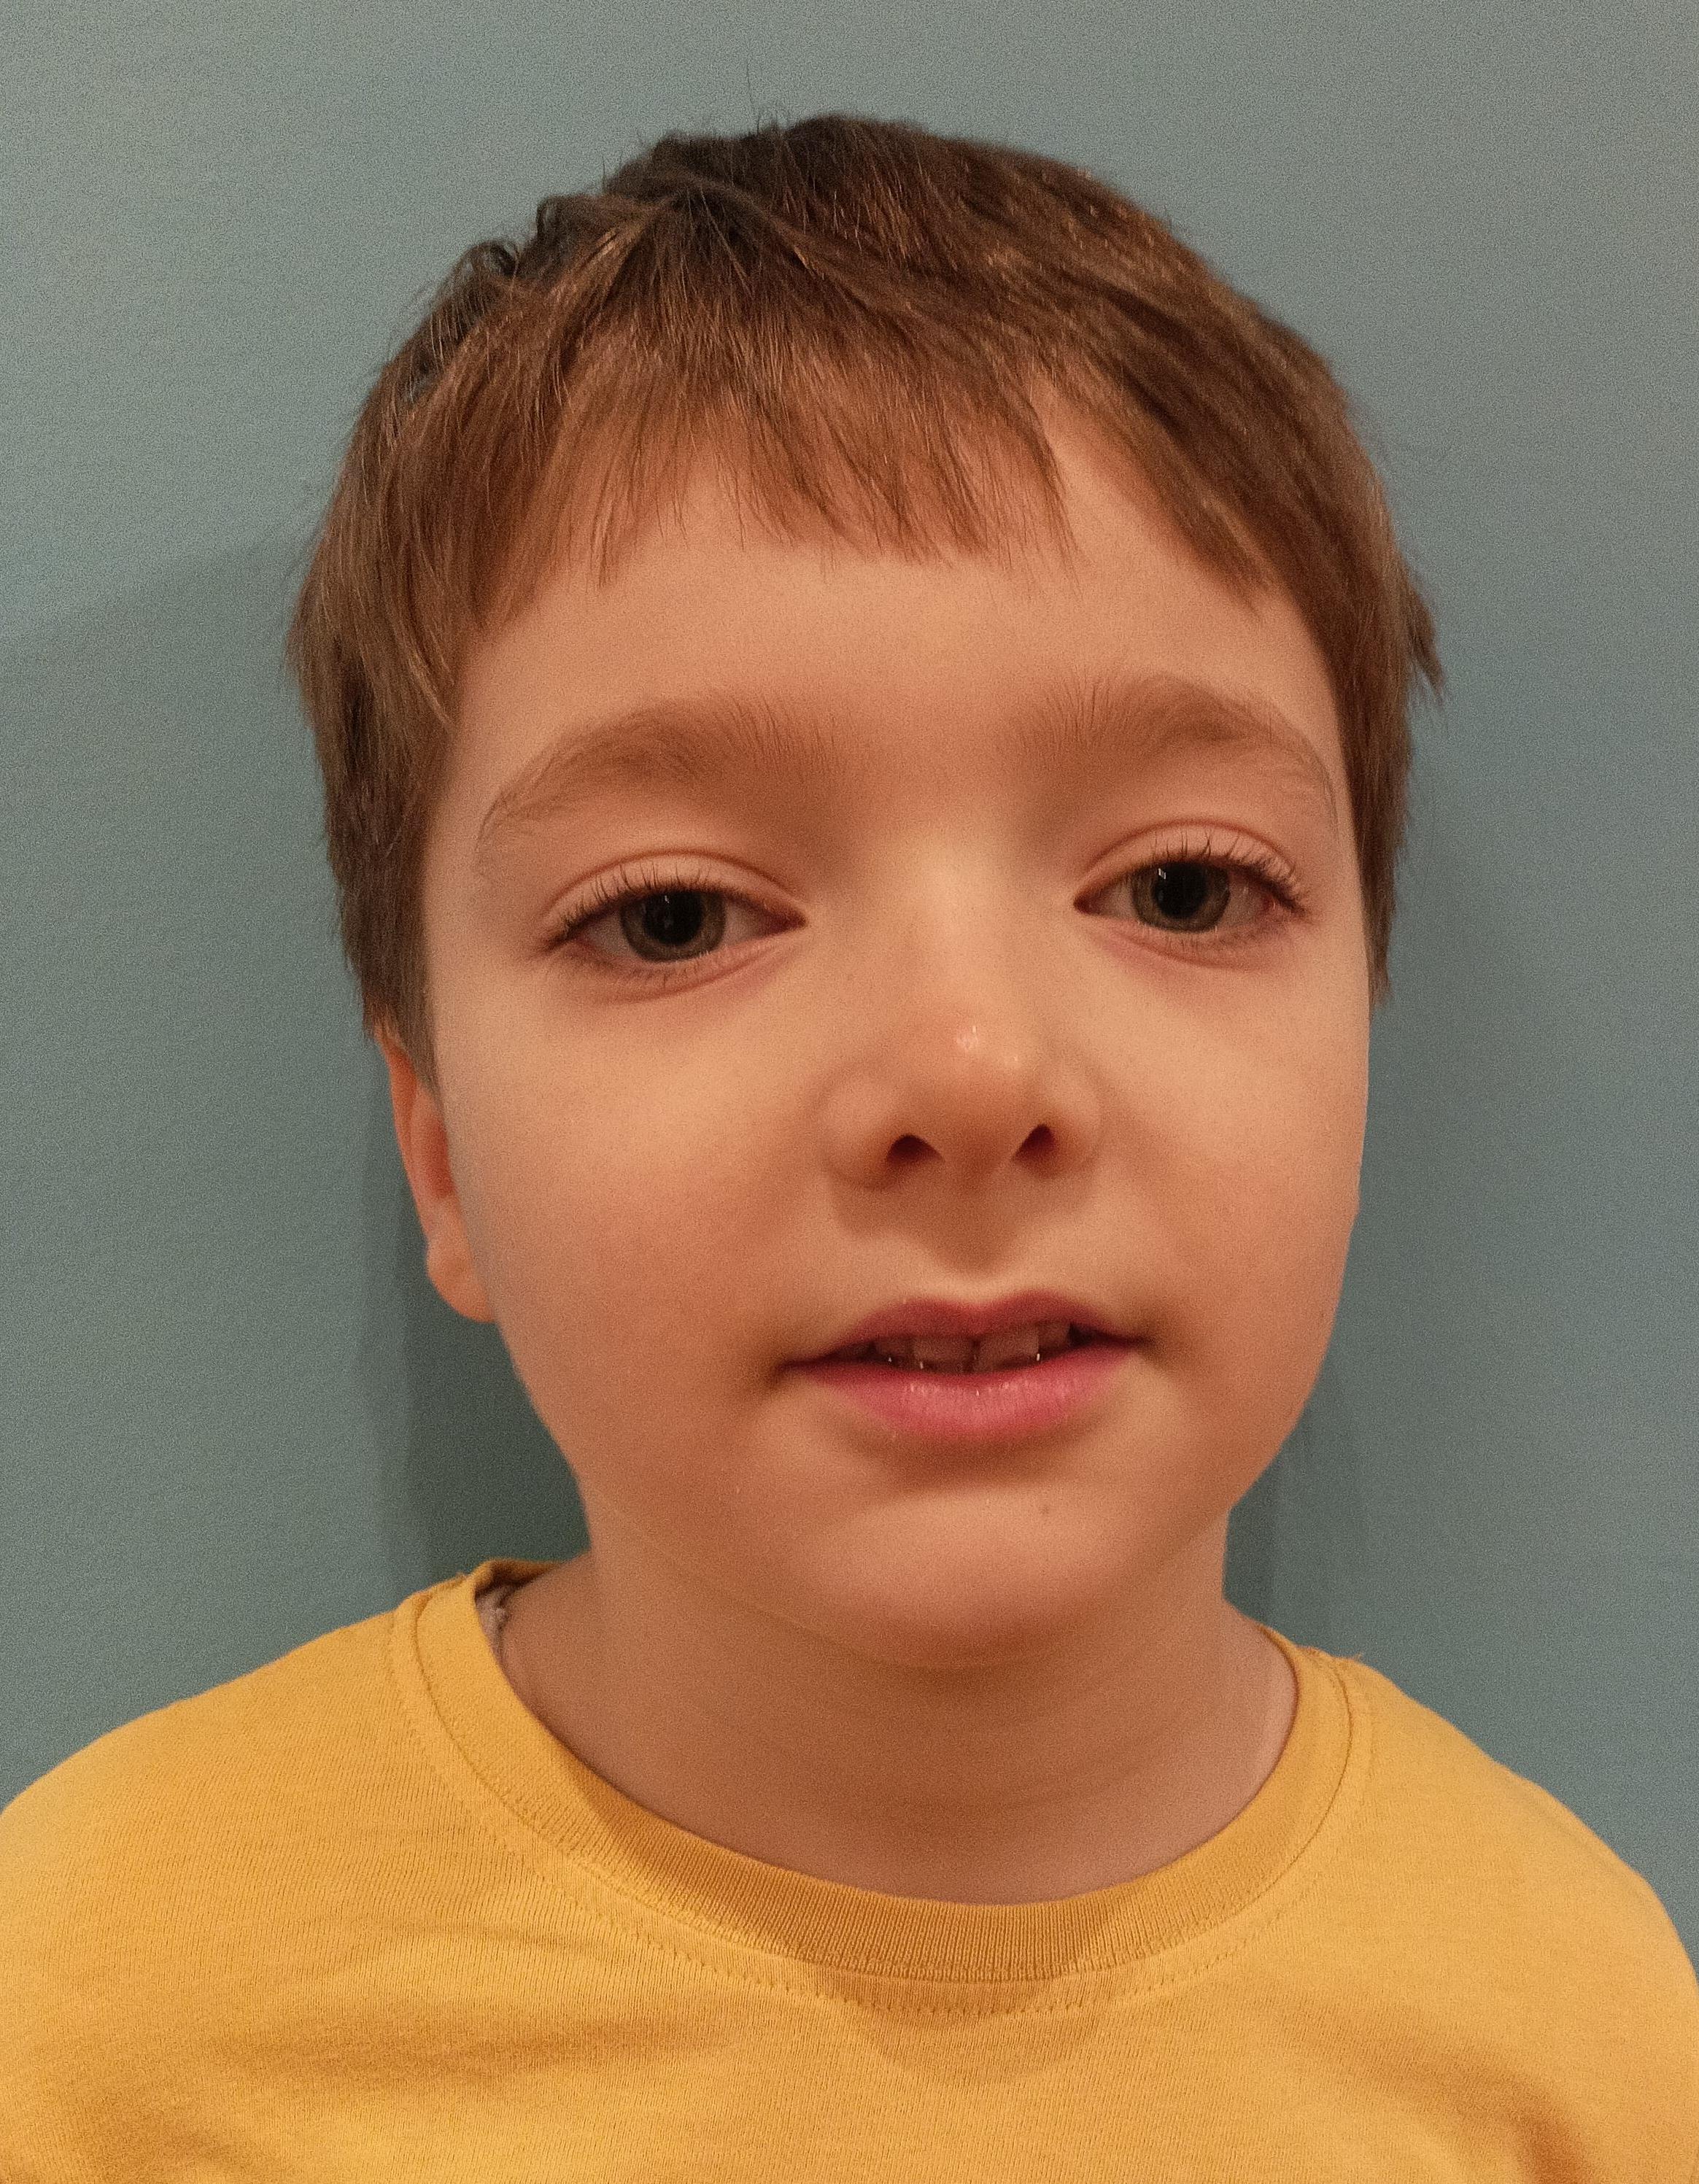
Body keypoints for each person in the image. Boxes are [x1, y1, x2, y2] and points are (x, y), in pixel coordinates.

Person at [4, 113, 1695, 2178]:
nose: (970, 1073)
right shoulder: (91, 2022)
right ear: (438, 1151)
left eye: (1179, 888)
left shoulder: (1574, 2036)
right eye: (673, 918)